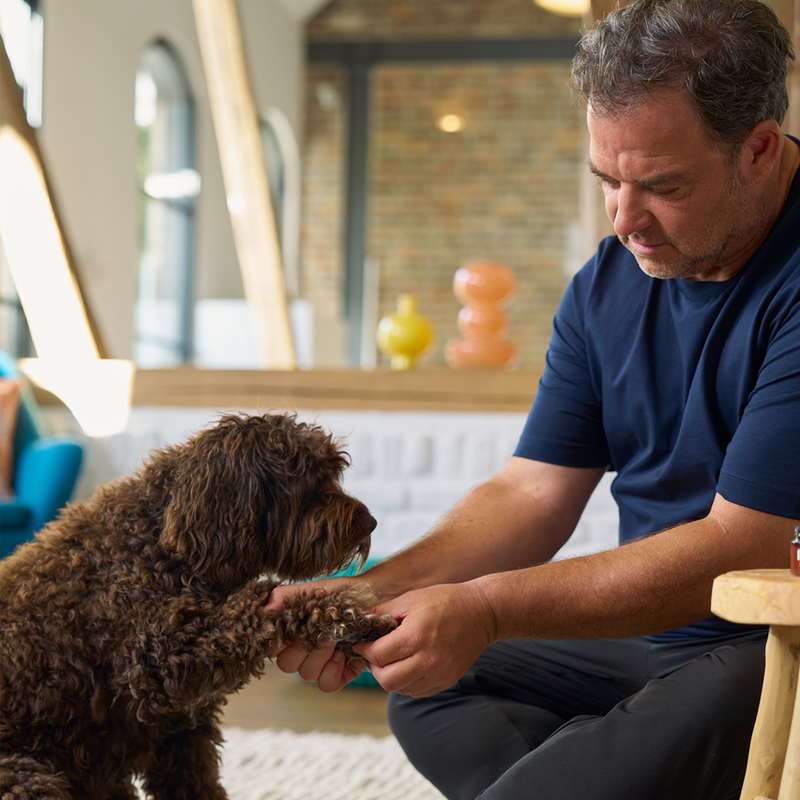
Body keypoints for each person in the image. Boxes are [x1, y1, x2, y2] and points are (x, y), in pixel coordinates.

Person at [268, 0, 800, 796]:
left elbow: (740, 545)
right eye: (607, 180)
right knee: (427, 681)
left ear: (758, 149)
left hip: (778, 637)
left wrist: (483, 607)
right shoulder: (608, 282)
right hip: (663, 642)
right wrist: (376, 591)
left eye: (661, 185)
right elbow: (531, 492)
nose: (625, 220)